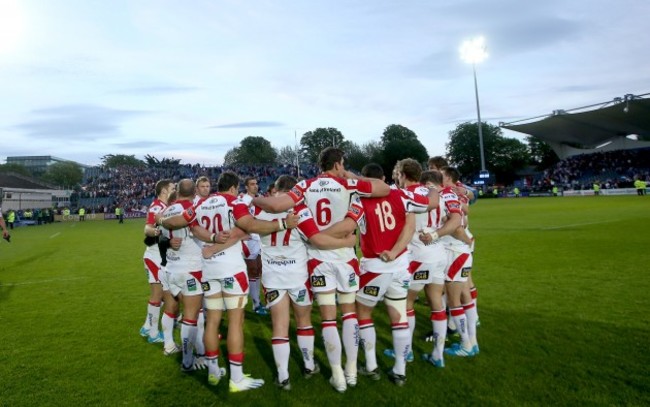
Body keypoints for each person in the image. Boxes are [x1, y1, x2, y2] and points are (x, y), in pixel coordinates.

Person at [252, 147, 391, 393]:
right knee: (349, 314)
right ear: (338, 164)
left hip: (318, 260)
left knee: (328, 319)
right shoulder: (349, 186)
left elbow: (277, 206)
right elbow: (384, 189)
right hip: (345, 259)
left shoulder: (304, 187)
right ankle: (350, 371)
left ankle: (337, 376)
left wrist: (253, 198)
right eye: (343, 164)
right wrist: (349, 175)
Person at [161, 171, 298, 392]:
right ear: (234, 188)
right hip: (231, 269)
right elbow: (249, 225)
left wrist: (161, 220)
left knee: (212, 320)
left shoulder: (200, 204)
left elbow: (180, 222)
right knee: (235, 321)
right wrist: (283, 224)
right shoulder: (233, 202)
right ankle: (236, 378)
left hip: (208, 270)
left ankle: (214, 372)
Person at [323, 163, 430, 386]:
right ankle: (400, 370)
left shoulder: (360, 201)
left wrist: (315, 234)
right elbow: (410, 227)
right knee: (398, 315)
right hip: (400, 265)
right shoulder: (401, 195)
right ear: (382, 178)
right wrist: (395, 251)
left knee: (362, 312)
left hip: (374, 266)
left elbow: (347, 227)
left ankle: (371, 365)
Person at [253, 174, 357, 390]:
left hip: (273, 276)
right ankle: (309, 365)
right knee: (304, 321)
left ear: (275, 190)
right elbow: (317, 239)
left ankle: (283, 377)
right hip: (298, 275)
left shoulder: (260, 211)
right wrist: (347, 241)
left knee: (279, 326)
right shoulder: (300, 211)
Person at [398, 163, 462, 369]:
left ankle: (406, 353)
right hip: (438, 254)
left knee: (406, 302)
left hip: (418, 254)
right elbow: (451, 220)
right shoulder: (439, 195)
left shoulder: (405, 194)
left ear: (403, 175)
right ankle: (438, 354)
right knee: (437, 302)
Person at [157, 179, 206, 372]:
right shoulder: (195, 208)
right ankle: (188, 361)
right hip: (191, 268)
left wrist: (168, 242)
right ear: (195, 191)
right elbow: (197, 231)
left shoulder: (166, 210)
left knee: (171, 309)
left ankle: (171, 345)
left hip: (170, 269)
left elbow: (160, 237)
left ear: (177, 191)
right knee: (192, 315)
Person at [440, 167, 478, 357]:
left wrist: (464, 239)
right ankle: (473, 341)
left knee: (454, 299)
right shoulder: (457, 194)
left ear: (448, 178)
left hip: (455, 251)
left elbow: (456, 226)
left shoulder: (446, 195)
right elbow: (467, 208)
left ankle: (466, 344)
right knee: (464, 295)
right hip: (461, 250)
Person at [140, 179, 175, 346]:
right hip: (154, 257)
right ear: (163, 191)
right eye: (172, 188)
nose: (174, 190)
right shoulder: (157, 207)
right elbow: (147, 228)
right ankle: (153, 333)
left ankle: (147, 326)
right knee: (157, 294)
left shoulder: (167, 206)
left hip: (161, 257)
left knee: (162, 295)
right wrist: (154, 230)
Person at [238, 176, 267, 316]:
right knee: (253, 269)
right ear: (246, 187)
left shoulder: (260, 199)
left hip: (259, 238)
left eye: (256, 183)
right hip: (248, 240)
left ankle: (257, 302)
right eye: (252, 184)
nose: (255, 186)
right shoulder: (242, 200)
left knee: (258, 270)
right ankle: (255, 303)